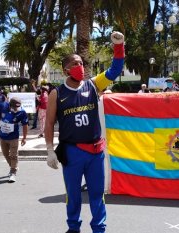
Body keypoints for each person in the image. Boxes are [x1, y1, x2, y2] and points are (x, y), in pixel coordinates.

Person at [45, 31, 125, 233]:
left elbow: (115, 70)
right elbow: (49, 123)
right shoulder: (57, 93)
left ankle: (99, 228)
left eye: (80, 62)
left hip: (96, 150)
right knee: (73, 194)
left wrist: (119, 46)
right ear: (65, 71)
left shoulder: (93, 84)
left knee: (97, 193)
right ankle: (74, 228)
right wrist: (49, 149)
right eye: (74, 64)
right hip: (72, 152)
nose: (79, 66)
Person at [0, 96, 28, 183]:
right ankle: (13, 166)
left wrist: (24, 138)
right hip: (2, 136)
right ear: (10, 105)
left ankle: (13, 172)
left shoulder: (22, 112)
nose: (16, 109)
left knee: (13, 155)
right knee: (6, 154)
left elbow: (25, 125)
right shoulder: (2, 106)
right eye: (14, 107)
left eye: (17, 107)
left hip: (14, 137)